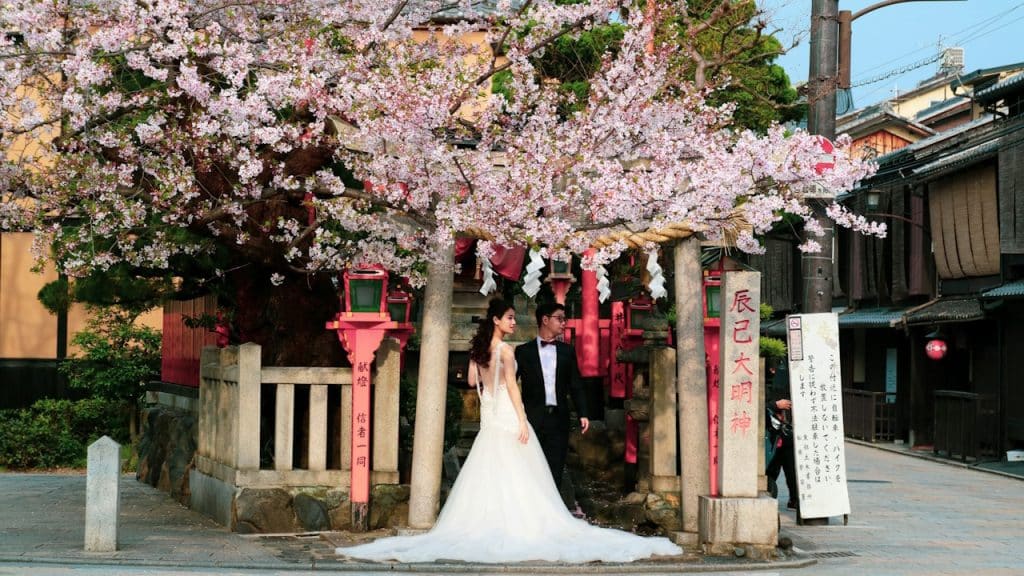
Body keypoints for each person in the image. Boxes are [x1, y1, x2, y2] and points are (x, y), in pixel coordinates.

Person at [336, 299, 682, 563]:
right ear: (497, 322)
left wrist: (481, 368)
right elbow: (513, 389)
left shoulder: (480, 351)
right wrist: (520, 419)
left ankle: (488, 521)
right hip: (505, 415)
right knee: (521, 475)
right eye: (511, 317)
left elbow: (473, 383)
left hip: (489, 420)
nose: (516, 321)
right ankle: (522, 524)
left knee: (490, 473)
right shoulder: (506, 350)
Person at [514, 302, 590, 497]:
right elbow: (511, 385)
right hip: (532, 419)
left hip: (559, 418)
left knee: (555, 468)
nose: (563, 323)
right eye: (560, 318)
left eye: (564, 319)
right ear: (545, 320)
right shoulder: (523, 352)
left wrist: (583, 413)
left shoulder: (567, 351)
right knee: (529, 467)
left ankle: (552, 513)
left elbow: (576, 384)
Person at [766, 398, 798, 510]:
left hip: (787, 436)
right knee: (770, 470)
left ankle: (795, 499)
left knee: (792, 471)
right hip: (771, 437)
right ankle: (767, 493)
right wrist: (775, 405)